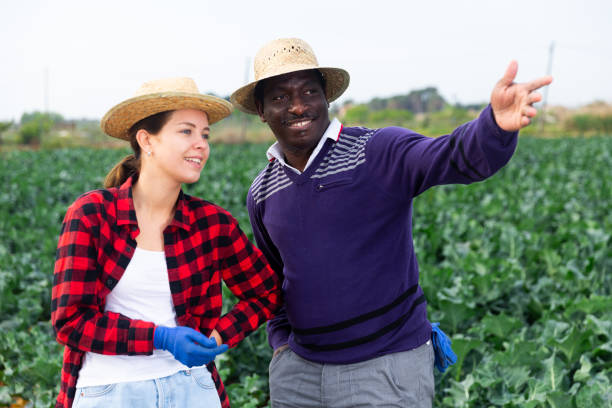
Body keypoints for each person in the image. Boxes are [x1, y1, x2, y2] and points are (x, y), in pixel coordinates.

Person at [230, 38, 553, 407]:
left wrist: (494, 126)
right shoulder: (263, 190)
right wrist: (282, 346)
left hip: (384, 369)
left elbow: (453, 157)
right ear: (261, 110)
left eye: (309, 91)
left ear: (326, 98)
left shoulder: (376, 151)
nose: (298, 106)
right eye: (280, 98)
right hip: (300, 376)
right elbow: (274, 280)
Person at [51, 77, 282, 408]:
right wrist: (160, 337)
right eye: (186, 131)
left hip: (193, 387)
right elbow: (71, 320)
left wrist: (218, 338)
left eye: (205, 135)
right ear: (147, 140)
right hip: (110, 391)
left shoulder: (212, 224)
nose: (201, 144)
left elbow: (267, 292)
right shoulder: (92, 215)